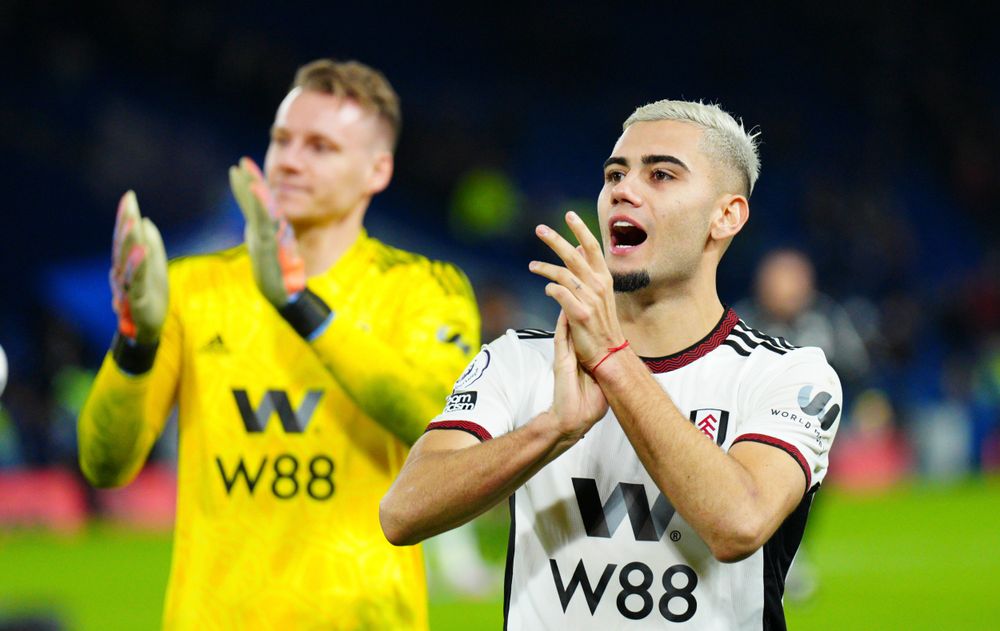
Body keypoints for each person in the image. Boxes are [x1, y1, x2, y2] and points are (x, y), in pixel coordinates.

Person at [381, 100, 842, 629]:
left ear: (726, 215)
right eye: (615, 174)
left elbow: (737, 524)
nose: (624, 189)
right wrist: (551, 430)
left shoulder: (786, 374)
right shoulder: (519, 359)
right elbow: (402, 512)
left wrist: (612, 361)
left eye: (661, 174)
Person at [78, 59, 479, 630]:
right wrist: (135, 343)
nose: (289, 160)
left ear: (377, 170)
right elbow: (104, 465)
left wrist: (300, 306)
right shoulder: (195, 286)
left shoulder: (422, 287)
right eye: (281, 140)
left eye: (320, 147)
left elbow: (436, 423)